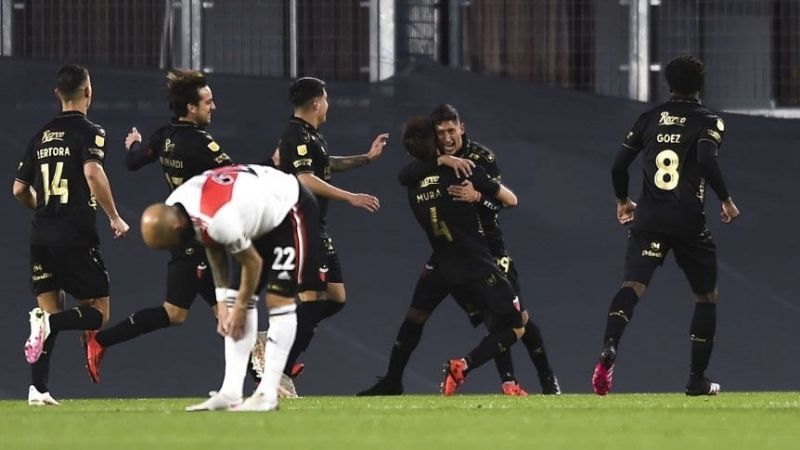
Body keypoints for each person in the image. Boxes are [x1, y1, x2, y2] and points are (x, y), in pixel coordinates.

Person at [358, 105, 559, 397]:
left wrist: (477, 197)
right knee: (504, 321)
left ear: (462, 128)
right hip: (462, 253)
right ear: (434, 138)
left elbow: (499, 206)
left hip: (489, 248)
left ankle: (542, 382)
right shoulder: (438, 164)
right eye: (441, 134)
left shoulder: (479, 159)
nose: (447, 137)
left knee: (513, 321)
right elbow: (407, 173)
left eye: (452, 131)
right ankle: (396, 379)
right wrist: (443, 160)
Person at [591, 55, 740, 396]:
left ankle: (610, 347)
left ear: (668, 85)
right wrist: (727, 200)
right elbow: (705, 158)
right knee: (705, 297)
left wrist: (622, 201)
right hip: (688, 220)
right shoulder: (708, 121)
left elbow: (618, 165)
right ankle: (696, 378)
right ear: (700, 85)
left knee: (632, 285)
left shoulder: (649, 118)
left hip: (650, 218)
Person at [81, 69, 233, 384]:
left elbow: (134, 162)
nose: (213, 107)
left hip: (182, 235)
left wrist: (133, 145)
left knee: (222, 311)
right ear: (191, 108)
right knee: (182, 313)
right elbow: (235, 175)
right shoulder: (203, 143)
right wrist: (272, 168)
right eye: (208, 102)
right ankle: (101, 340)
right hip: (196, 239)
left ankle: (267, 375)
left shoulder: (164, 136)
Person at [140, 164, 322, 411]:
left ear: (174, 228)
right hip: (255, 214)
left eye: (166, 245)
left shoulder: (218, 218)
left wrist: (236, 308)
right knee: (235, 300)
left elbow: (253, 263)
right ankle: (231, 392)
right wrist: (223, 300)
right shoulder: (177, 203)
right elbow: (212, 245)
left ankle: (267, 394)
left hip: (290, 209)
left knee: (278, 299)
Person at [12, 64, 130, 405]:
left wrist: (42, 207)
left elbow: (19, 189)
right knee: (99, 313)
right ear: (88, 93)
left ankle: (38, 389)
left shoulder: (40, 136)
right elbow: (93, 172)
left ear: (57, 95)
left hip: (41, 235)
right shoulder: (90, 131)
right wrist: (115, 218)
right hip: (74, 234)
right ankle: (48, 327)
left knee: (46, 313)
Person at [392, 116, 528, 396]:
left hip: (446, 267)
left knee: (419, 316)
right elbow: (511, 201)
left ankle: (395, 378)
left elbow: (404, 173)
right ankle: (463, 366)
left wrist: (439, 161)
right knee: (518, 325)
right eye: (440, 134)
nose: (446, 138)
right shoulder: (464, 170)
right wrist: (477, 195)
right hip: (479, 263)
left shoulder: (413, 183)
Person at [274, 76, 388, 396]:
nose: (328, 105)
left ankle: (278, 348)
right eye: (326, 99)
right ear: (315, 103)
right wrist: (350, 197)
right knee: (312, 299)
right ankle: (278, 368)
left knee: (336, 297)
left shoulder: (312, 134)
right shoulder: (294, 132)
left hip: (316, 225)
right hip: (299, 226)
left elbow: (325, 165)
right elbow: (306, 178)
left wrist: (365, 158)